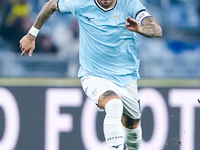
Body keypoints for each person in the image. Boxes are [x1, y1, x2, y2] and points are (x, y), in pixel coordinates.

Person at [19, 0, 162, 149]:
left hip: (127, 79)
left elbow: (156, 30)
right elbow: (51, 5)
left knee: (133, 131)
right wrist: (31, 35)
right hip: (94, 75)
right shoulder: (81, 3)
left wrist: (140, 29)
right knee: (114, 104)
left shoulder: (130, 4)